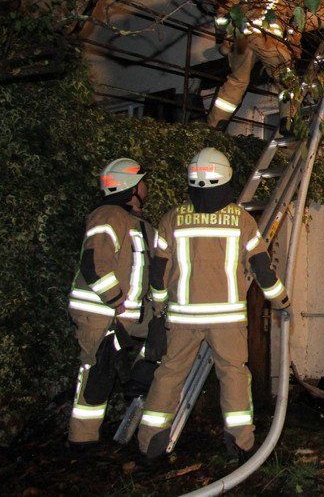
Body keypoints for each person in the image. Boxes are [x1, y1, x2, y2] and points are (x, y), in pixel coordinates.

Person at [137, 147, 291, 459]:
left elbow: (158, 270)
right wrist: (282, 301)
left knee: (169, 373)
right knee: (233, 374)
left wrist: (160, 308)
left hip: (183, 318)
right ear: (226, 178)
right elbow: (262, 268)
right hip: (227, 320)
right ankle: (240, 443)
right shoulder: (241, 220)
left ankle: (149, 442)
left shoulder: (172, 219)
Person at [68, 158, 152, 447]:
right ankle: (82, 441)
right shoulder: (107, 216)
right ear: (132, 187)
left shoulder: (133, 222)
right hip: (100, 313)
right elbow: (95, 264)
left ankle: (136, 386)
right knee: (95, 376)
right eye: (142, 181)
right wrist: (115, 299)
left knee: (166, 342)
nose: (147, 186)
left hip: (126, 315)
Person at [207, 0, 301, 130]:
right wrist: (295, 45)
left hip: (243, 37)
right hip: (267, 40)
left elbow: (225, 13)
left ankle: (215, 124)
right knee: (285, 76)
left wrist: (226, 39)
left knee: (237, 81)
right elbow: (298, 23)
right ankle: (288, 120)